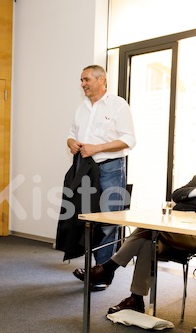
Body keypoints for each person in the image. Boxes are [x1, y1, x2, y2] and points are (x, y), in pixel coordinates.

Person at [74, 133, 196, 333]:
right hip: (175, 230)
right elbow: (176, 195)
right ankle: (135, 299)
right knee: (147, 242)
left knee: (148, 229)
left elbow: (192, 203)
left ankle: (110, 267)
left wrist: (195, 197)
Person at [58, 65, 136, 267]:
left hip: (111, 168)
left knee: (108, 222)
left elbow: (129, 140)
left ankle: (102, 271)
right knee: (86, 219)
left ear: (102, 80)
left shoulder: (118, 105)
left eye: (86, 80)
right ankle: (92, 268)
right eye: (81, 80)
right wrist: (71, 143)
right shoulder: (81, 107)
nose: (83, 84)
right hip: (84, 170)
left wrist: (97, 148)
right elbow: (71, 134)